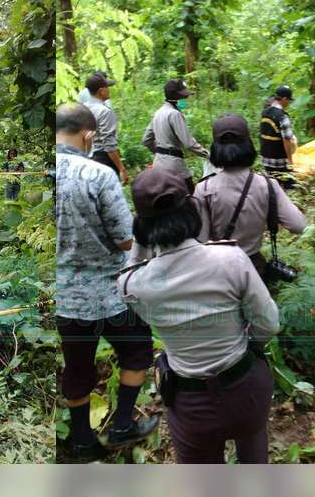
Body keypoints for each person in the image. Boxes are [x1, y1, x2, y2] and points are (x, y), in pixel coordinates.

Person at [119, 167, 280, 464]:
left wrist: (141, 236)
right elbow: (269, 323)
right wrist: (250, 346)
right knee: (253, 438)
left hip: (190, 402)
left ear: (140, 227)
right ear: (192, 212)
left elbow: (130, 270)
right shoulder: (231, 260)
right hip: (246, 386)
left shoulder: (134, 286)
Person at [56, 103, 159, 463]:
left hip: (64, 300)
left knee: (77, 368)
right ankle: (121, 426)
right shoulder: (98, 174)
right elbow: (124, 239)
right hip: (110, 294)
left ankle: (83, 441)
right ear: (87, 135)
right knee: (137, 352)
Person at [195, 114, 306, 278]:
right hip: (254, 268)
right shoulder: (268, 185)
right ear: (248, 145)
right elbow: (298, 225)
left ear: (215, 149)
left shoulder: (204, 189)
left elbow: (201, 239)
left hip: (217, 271)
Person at [141, 79, 210, 193]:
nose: (186, 99)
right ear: (176, 98)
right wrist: (208, 155)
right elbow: (189, 143)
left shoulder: (158, 112)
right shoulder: (175, 114)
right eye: (184, 97)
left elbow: (146, 140)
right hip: (175, 167)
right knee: (190, 197)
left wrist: (159, 153)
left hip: (158, 166)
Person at [83, 72, 129, 184]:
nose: (109, 90)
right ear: (101, 91)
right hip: (104, 159)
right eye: (107, 87)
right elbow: (109, 144)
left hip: (89, 158)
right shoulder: (104, 111)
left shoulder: (83, 108)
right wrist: (121, 169)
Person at [259, 85, 297, 189]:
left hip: (265, 158)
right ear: (284, 99)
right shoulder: (282, 116)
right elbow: (287, 141)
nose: (289, 103)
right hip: (278, 160)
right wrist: (290, 162)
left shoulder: (265, 112)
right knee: (290, 186)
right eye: (289, 100)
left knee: (271, 187)